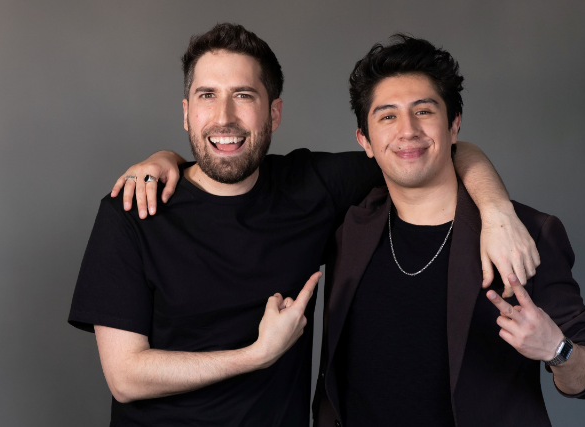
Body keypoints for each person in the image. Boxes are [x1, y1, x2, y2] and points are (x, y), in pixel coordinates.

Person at [69, 24, 538, 426]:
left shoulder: (311, 187)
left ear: (274, 112)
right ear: (187, 112)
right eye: (207, 96)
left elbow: (430, 149)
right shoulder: (132, 210)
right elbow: (126, 377)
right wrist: (256, 355)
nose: (224, 117)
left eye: (244, 96)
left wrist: (497, 210)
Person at [311, 35, 585, 427]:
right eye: (387, 116)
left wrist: (557, 350)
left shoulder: (526, 233)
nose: (407, 131)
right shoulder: (347, 226)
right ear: (364, 141)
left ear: (454, 126)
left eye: (423, 111)